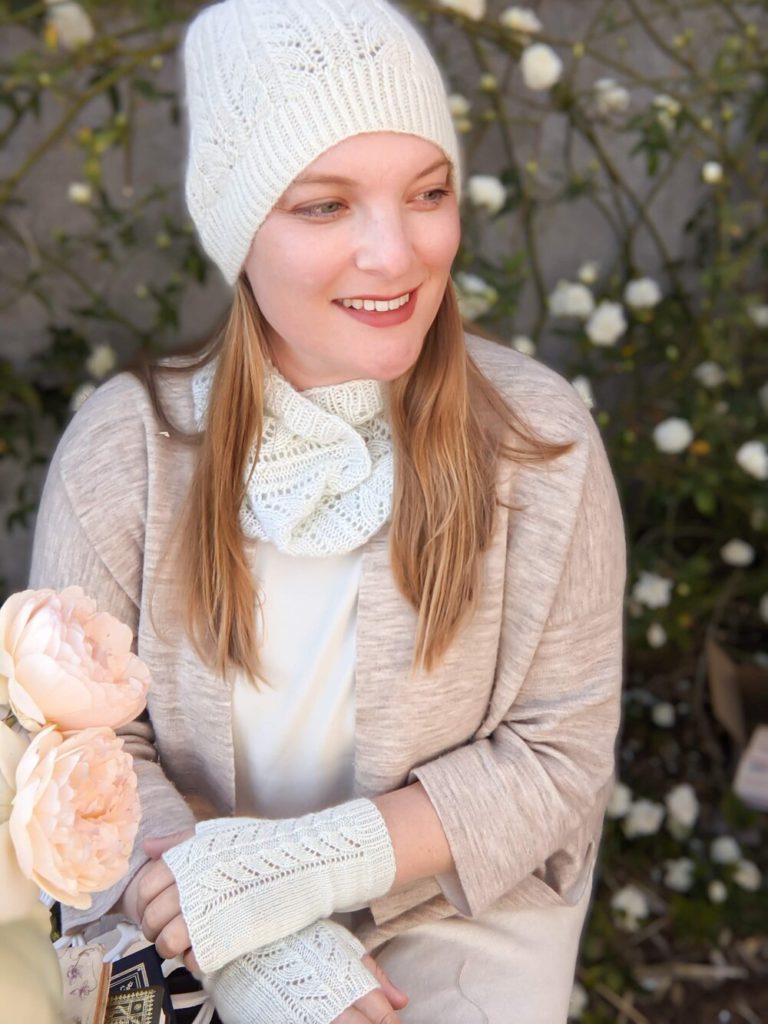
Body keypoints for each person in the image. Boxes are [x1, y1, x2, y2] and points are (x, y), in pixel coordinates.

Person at [29, 0, 627, 1021]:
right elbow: (79, 749)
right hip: (169, 898)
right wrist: (263, 952)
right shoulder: (125, 447)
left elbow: (555, 760)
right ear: (238, 226)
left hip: (452, 909)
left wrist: (306, 868)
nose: (395, 254)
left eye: (426, 192)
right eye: (324, 206)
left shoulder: (541, 441)